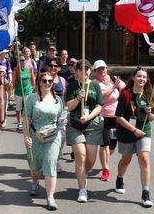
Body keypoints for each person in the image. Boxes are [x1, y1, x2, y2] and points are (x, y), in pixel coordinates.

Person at [114, 67, 154, 208]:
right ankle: (119, 178)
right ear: (133, 78)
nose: (142, 79)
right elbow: (119, 117)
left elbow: (151, 119)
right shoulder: (125, 94)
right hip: (127, 131)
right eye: (139, 76)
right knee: (126, 159)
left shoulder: (148, 94)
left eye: (144, 77)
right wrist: (133, 129)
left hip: (144, 131)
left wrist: (149, 112)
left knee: (144, 159)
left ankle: (145, 193)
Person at [23, 71, 63, 210]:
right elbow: (26, 119)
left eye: (50, 81)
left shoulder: (58, 100)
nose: (47, 83)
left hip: (53, 136)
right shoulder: (31, 99)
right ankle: (35, 181)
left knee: (50, 163)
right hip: (35, 135)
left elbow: (60, 117)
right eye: (44, 81)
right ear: (39, 82)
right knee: (35, 165)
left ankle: (50, 198)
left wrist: (63, 120)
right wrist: (26, 137)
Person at [65, 60, 104, 202]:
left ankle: (83, 174)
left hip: (92, 124)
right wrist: (78, 98)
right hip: (75, 125)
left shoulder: (95, 86)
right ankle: (82, 190)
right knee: (81, 156)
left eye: (87, 69)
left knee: (91, 159)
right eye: (81, 69)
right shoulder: (72, 86)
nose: (85, 72)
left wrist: (88, 116)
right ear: (76, 72)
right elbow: (68, 107)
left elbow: (99, 106)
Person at [92, 60, 126, 182]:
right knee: (104, 144)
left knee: (112, 145)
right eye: (99, 69)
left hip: (116, 117)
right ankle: (105, 169)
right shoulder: (94, 83)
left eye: (103, 68)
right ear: (95, 71)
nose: (102, 71)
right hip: (102, 117)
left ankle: (104, 159)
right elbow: (102, 96)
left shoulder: (114, 79)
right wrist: (114, 87)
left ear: (107, 68)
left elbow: (126, 90)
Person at [11, 53, 35, 132]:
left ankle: (27, 122)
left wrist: (33, 88)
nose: (22, 62)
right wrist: (11, 93)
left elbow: (32, 79)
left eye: (23, 60)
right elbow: (13, 82)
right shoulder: (16, 70)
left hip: (28, 91)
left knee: (27, 108)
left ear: (26, 61)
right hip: (18, 92)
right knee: (18, 108)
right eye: (20, 60)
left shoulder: (29, 68)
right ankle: (19, 122)